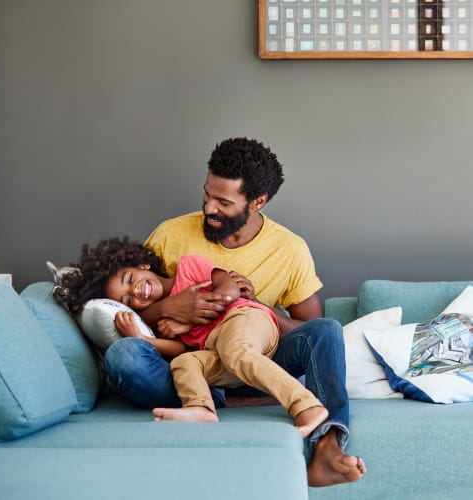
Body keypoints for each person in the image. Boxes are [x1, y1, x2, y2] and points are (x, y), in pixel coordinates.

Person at [106, 137, 366, 486]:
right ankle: (219, 401)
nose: (209, 208)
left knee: (327, 330)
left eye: (223, 202)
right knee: (125, 357)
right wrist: (170, 307)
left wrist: (256, 306)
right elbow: (137, 299)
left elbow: (308, 331)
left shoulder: (289, 250)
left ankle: (327, 447)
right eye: (206, 194)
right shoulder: (170, 235)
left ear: (258, 201)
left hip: (257, 352)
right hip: (198, 363)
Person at [104, 251, 329, 437]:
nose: (135, 291)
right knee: (184, 363)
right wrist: (142, 339)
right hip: (220, 350)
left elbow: (230, 290)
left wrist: (188, 320)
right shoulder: (164, 320)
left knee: (236, 351)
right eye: (128, 301)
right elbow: (180, 349)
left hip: (245, 317)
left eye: (130, 279)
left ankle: (307, 405)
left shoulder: (187, 266)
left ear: (142, 266)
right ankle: (201, 408)